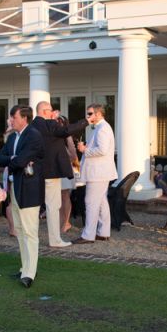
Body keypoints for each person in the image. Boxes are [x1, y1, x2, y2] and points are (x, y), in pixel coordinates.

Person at [0, 105, 45, 288]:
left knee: (30, 232)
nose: (10, 121)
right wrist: (13, 158)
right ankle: (25, 267)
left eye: (13, 117)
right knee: (20, 230)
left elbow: (21, 161)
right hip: (15, 188)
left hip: (29, 190)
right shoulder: (13, 137)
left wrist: (14, 159)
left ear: (24, 118)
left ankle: (30, 273)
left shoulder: (33, 135)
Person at [32, 101, 88, 248]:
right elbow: (67, 130)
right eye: (50, 111)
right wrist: (86, 121)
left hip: (37, 172)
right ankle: (55, 240)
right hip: (51, 172)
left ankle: (38, 238)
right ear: (44, 112)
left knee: (37, 206)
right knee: (53, 206)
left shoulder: (32, 125)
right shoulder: (49, 124)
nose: (53, 113)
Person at [73, 103, 117, 244]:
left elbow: (102, 150)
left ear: (99, 114)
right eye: (87, 113)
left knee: (91, 202)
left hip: (98, 173)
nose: (88, 116)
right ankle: (103, 232)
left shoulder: (103, 128)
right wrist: (85, 148)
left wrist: (84, 150)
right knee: (102, 202)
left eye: (90, 113)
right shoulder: (100, 128)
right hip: (100, 172)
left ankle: (88, 235)